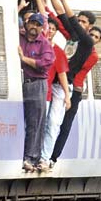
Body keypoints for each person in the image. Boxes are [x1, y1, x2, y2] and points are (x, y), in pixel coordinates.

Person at [43, 0, 101, 167]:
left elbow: (70, 18)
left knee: (60, 123)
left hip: (71, 87)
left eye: (84, 22)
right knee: (48, 120)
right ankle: (44, 155)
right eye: (81, 21)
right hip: (56, 81)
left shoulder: (87, 43)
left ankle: (52, 158)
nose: (81, 24)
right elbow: (60, 14)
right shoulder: (74, 37)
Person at [18, 13, 54, 172]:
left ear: (41, 27)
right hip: (19, 83)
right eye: (32, 23)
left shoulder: (44, 43)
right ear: (27, 24)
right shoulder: (18, 36)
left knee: (35, 123)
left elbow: (44, 64)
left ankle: (30, 158)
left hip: (36, 84)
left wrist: (23, 59)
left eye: (37, 24)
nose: (34, 27)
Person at [39, 17, 71, 172]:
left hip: (47, 92)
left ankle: (44, 158)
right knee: (37, 125)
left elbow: (62, 73)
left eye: (53, 28)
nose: (49, 30)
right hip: (36, 91)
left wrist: (67, 95)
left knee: (52, 124)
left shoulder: (57, 50)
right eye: (47, 27)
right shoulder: (35, 44)